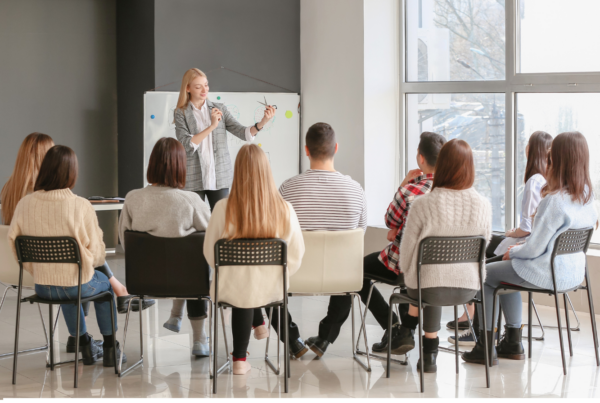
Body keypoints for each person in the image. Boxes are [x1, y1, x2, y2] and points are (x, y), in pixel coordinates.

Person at [0, 133, 152, 355]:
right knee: (88, 276)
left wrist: (34, 266)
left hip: (37, 277)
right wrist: (87, 259)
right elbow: (98, 254)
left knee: (70, 274)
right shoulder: (77, 204)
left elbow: (13, 241)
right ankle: (110, 346)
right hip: (63, 276)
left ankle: (81, 341)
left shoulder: (18, 197)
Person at [302, 132, 447, 358]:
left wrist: (402, 187)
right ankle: (394, 329)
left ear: (420, 159)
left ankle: (385, 329)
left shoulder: (411, 191)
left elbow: (390, 219)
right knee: (358, 273)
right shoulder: (452, 191)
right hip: (435, 268)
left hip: (403, 264)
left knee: (354, 272)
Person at [462, 131, 599, 367]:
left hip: (546, 271)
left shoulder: (554, 201)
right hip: (573, 273)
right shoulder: (589, 199)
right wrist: (517, 253)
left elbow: (534, 249)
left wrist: (512, 251)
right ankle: (512, 342)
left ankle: (486, 346)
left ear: (558, 160)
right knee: (507, 271)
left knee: (485, 273)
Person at [261, 122, 367, 359]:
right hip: (343, 279)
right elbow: (360, 235)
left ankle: (293, 341)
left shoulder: (288, 189)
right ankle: (325, 337)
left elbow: (275, 234)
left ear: (306, 150)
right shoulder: (356, 190)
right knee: (348, 270)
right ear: (336, 148)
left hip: (295, 275)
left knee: (265, 281)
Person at [390, 139, 492, 373]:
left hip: (427, 287)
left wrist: (410, 275)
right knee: (434, 276)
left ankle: (428, 351)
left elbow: (406, 257)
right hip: (468, 288)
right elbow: (483, 247)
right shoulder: (484, 205)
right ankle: (425, 347)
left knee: (428, 277)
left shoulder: (423, 204)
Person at [203, 144, 305, 375]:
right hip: (271, 290)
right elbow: (296, 256)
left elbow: (211, 254)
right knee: (253, 284)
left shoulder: (221, 208)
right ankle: (258, 324)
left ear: (237, 172)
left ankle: (239, 358)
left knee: (243, 285)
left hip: (230, 289)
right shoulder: (285, 210)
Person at [450, 131, 553, 347]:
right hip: (540, 253)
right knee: (487, 251)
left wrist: (511, 233)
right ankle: (510, 336)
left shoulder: (535, 181)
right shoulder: (550, 181)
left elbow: (527, 228)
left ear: (532, 151)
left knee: (481, 264)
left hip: (526, 249)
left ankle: (482, 332)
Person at [119, 138, 212, 357]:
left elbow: (125, 242)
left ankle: (176, 316)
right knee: (195, 264)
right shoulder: (191, 200)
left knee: (189, 265)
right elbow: (212, 240)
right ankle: (199, 339)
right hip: (188, 282)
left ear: (152, 164)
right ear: (182, 166)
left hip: (143, 282)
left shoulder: (133, 198)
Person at [173, 68, 275, 209]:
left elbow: (243, 133)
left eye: (206, 85)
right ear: (188, 88)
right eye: (198, 86)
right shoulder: (181, 113)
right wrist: (212, 126)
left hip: (219, 177)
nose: (204, 89)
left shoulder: (219, 108)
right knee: (193, 225)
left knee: (223, 222)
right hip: (192, 178)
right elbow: (186, 145)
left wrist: (263, 121)